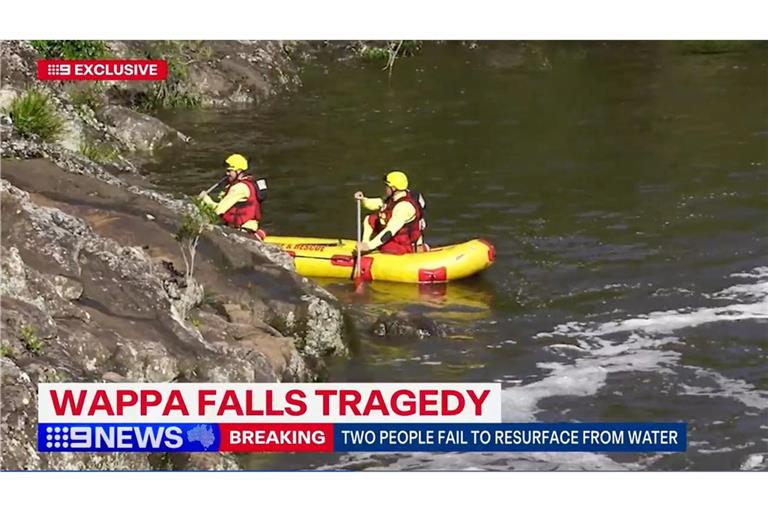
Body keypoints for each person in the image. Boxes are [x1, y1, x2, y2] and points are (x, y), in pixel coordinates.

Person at [353, 170, 428, 255]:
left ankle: (420, 248)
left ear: (393, 188)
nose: (385, 188)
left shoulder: (403, 207)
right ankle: (364, 245)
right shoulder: (393, 197)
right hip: (395, 237)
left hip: (404, 244)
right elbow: (377, 203)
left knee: (386, 248)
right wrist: (362, 200)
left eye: (386, 185)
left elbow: (389, 231)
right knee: (371, 219)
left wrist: (370, 246)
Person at [198, 153, 267, 239]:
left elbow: (217, 210)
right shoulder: (247, 183)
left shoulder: (238, 188)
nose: (227, 174)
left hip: (242, 231)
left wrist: (205, 199)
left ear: (238, 171)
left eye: (229, 171)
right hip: (249, 227)